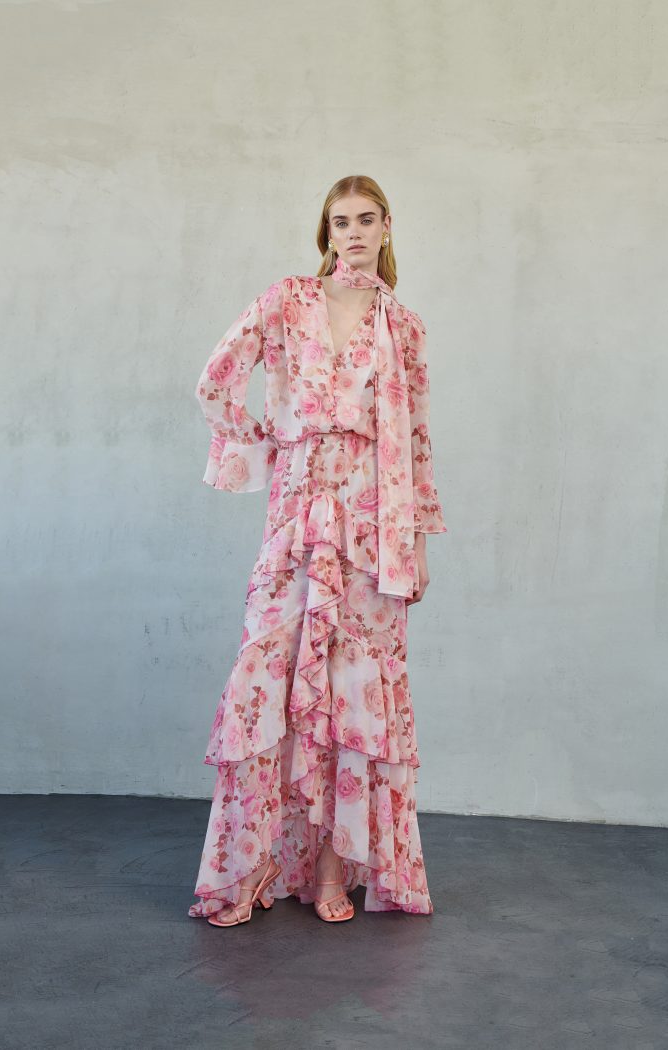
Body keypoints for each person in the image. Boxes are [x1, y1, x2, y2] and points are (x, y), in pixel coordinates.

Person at [188, 174, 447, 927]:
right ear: (326, 232)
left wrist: (417, 546)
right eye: (341, 222)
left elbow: (418, 444)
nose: (354, 233)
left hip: (370, 529)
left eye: (366, 220)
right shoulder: (288, 300)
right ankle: (255, 859)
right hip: (297, 518)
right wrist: (264, 449)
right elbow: (216, 381)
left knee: (351, 699)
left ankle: (334, 870)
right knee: (266, 677)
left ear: (387, 226)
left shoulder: (404, 327)